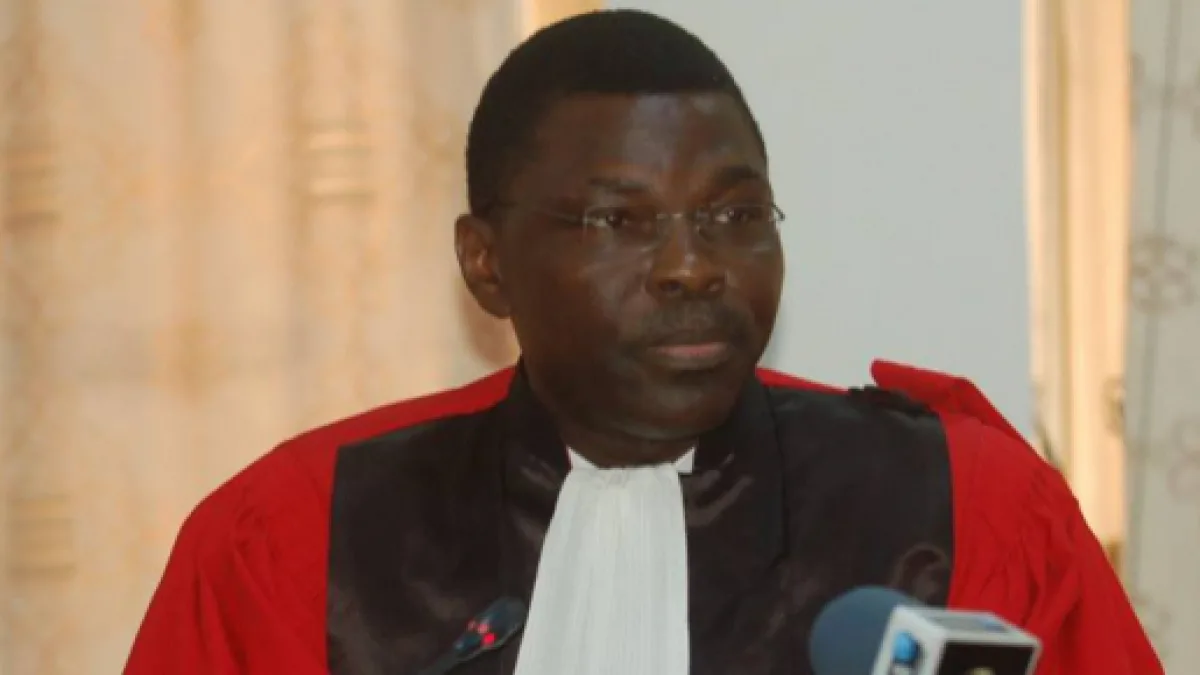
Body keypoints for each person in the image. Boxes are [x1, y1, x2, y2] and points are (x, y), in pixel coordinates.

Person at [125, 9, 1161, 675]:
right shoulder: (298, 542)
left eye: (733, 214)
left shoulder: (963, 511)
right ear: (486, 263)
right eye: (618, 221)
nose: (691, 267)